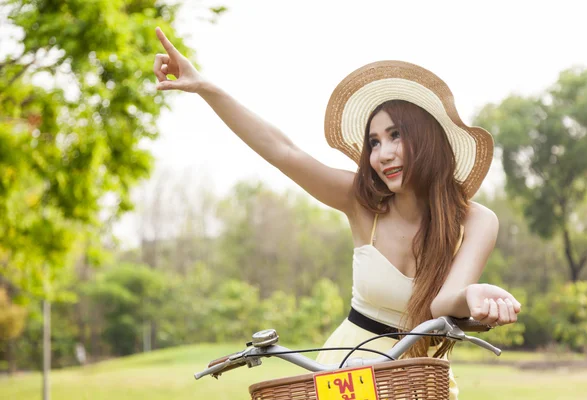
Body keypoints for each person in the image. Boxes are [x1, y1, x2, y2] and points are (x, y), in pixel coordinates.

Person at [153, 27, 521, 399]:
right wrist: (205, 87)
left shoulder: (476, 221)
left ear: (427, 138)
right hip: (345, 375)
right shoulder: (364, 205)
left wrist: (474, 295)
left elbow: (443, 304)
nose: (382, 154)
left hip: (416, 382)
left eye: (395, 136)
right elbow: (284, 151)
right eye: (374, 142)